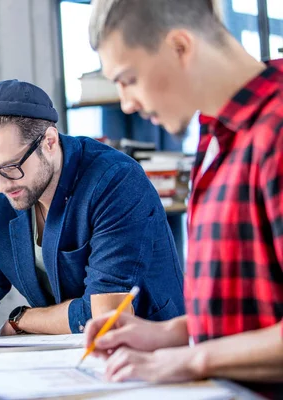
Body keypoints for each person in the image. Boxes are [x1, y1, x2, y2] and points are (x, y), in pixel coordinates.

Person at [82, 0, 283, 396]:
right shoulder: (215, 136)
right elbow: (254, 305)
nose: (127, 104)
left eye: (128, 78)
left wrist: (191, 359)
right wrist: (168, 334)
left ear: (180, 46)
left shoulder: (276, 131)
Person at [0, 79, 185, 340]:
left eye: (11, 167)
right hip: (58, 356)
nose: (1, 185)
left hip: (149, 350)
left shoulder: (116, 181)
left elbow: (105, 315)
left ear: (49, 141)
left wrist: (23, 319)